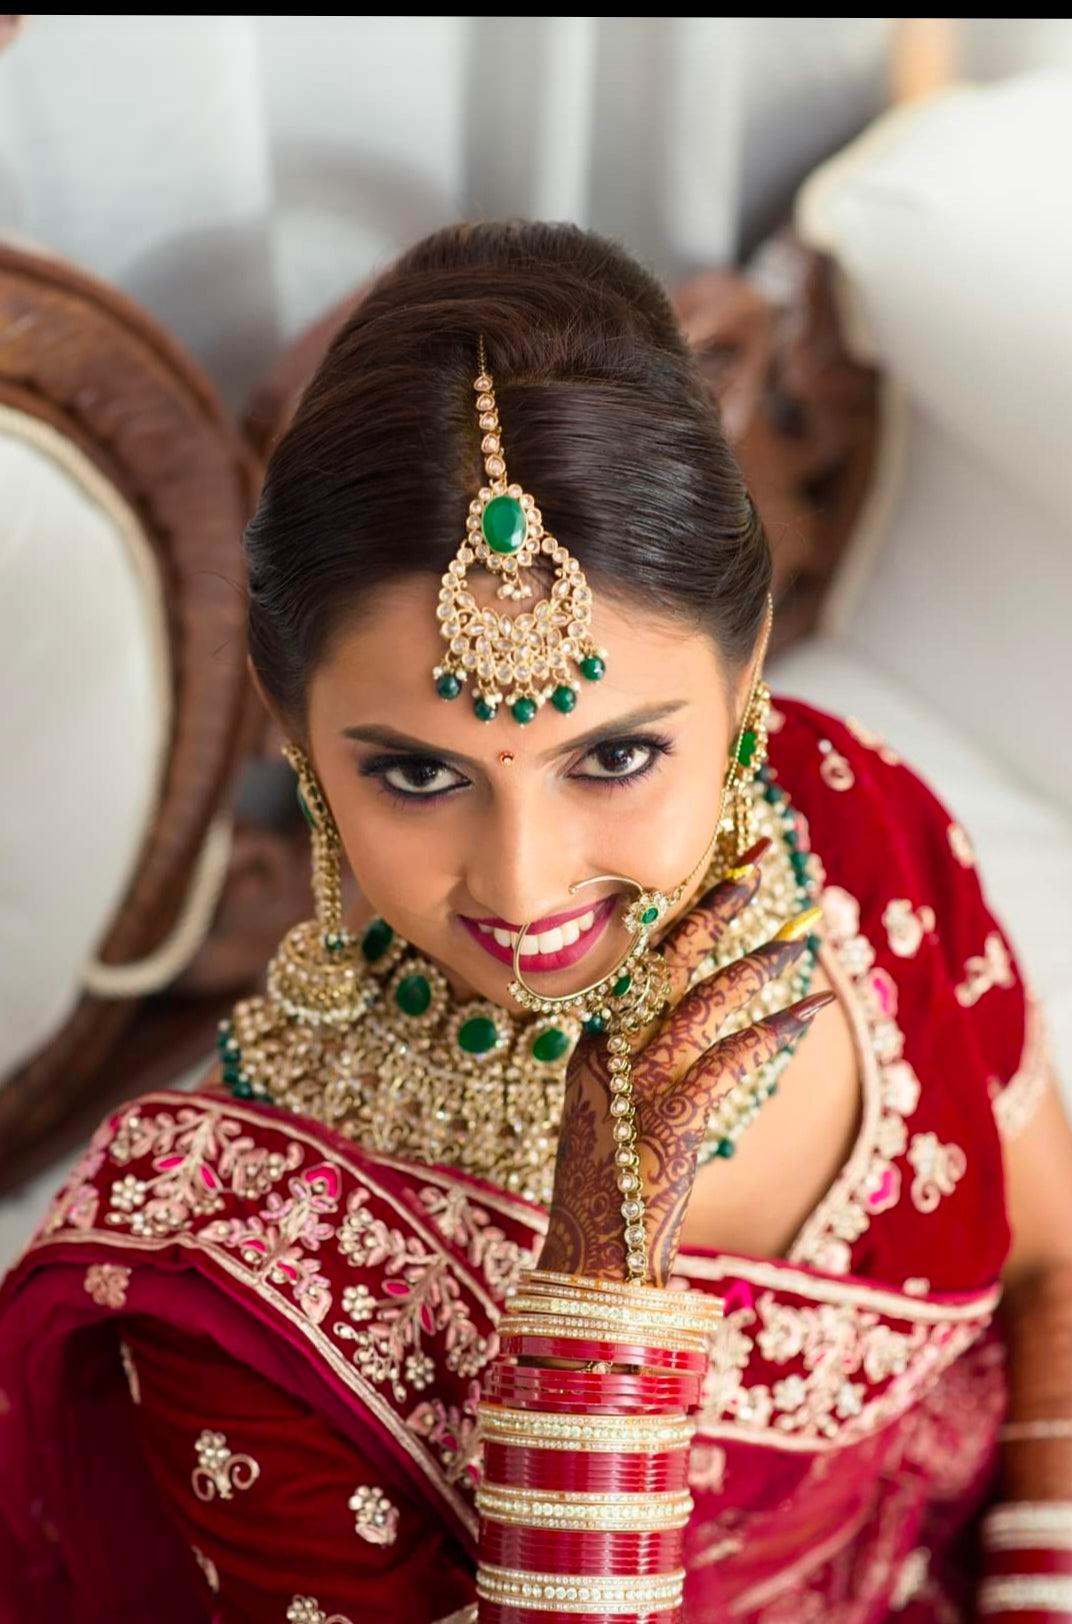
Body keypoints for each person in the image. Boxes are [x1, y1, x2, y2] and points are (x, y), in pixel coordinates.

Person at [1, 219, 1070, 1624]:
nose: (522, 884)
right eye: (417, 775)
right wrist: (595, 1301)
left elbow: (1054, 1269)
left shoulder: (854, 829)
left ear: (747, 669)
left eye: (615, 756)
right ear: (296, 734)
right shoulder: (243, 1280)